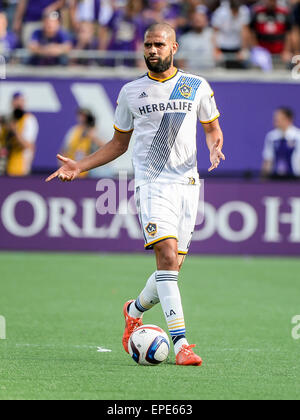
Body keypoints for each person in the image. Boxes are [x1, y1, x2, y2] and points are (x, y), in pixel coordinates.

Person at [46, 23, 225, 366]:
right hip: (152, 184)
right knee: (167, 258)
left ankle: (134, 309)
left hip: (188, 186)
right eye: (148, 45)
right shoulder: (130, 92)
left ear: (174, 47)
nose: (153, 50)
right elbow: (118, 143)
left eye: (159, 44)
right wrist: (80, 166)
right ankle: (182, 345)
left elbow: (212, 129)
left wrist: (215, 146)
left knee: (171, 270)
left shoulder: (196, 86)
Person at [0, 91, 39, 176]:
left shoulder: (29, 120)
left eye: (21, 101)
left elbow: (27, 145)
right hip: (4, 167)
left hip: (20, 169)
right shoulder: (6, 119)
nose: (18, 103)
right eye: (16, 101)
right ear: (12, 103)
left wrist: (14, 131)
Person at [60, 108, 104, 178]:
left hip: (92, 167)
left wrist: (94, 138)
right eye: (81, 115)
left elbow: (107, 147)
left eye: (85, 116)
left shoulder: (96, 131)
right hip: (75, 165)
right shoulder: (74, 131)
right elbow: (65, 150)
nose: (82, 118)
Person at [249, 0, 293, 64]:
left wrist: (286, 50)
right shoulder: (257, 13)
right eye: (269, 1)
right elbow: (252, 33)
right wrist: (257, 50)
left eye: (273, 1)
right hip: (262, 52)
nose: (271, 3)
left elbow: (288, 34)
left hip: (280, 52)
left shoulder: (284, 13)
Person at [262, 107, 300, 179]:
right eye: (275, 119)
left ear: (289, 119)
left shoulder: (298, 136)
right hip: (276, 178)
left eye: (280, 119)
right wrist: (264, 179)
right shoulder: (271, 137)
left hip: (296, 178)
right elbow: (268, 160)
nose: (276, 121)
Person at [212, 0, 251, 69]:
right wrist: (216, 50)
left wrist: (243, 49)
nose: (236, 13)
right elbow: (215, 32)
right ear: (230, 8)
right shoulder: (220, 12)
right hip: (222, 45)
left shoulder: (244, 11)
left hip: (237, 46)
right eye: (234, 10)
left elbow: (245, 31)